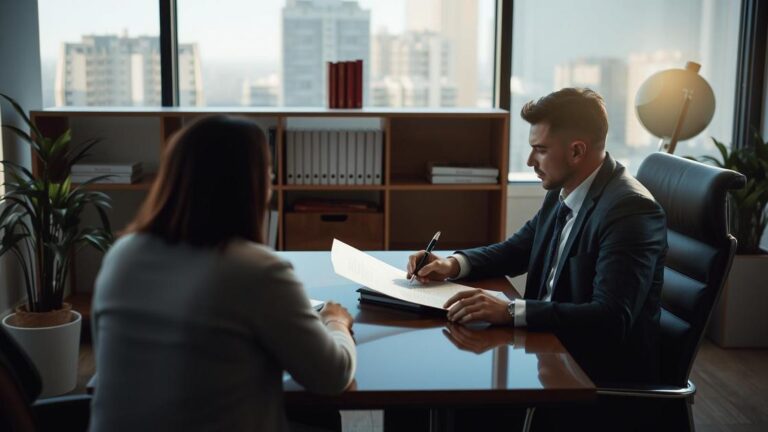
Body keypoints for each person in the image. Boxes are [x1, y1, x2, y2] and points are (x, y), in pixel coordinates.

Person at [90, 115, 356, 432]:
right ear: (252, 185)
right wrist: (335, 321)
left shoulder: (122, 254)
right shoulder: (255, 270)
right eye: (268, 174)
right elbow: (333, 376)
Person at [407, 88, 667, 386]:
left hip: (592, 374)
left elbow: (610, 318)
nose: (530, 160)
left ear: (577, 151)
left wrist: (509, 311)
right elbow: (517, 250)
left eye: (540, 149)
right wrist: (452, 264)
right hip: (546, 347)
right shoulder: (564, 189)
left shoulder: (630, 212)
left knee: (444, 386)